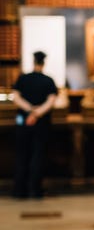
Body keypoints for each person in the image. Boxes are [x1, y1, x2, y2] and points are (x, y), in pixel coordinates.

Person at [12, 50, 58, 198]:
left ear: (33, 62)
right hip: (41, 123)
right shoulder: (48, 81)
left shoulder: (23, 79)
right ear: (43, 63)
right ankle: (36, 190)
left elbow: (16, 98)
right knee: (38, 156)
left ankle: (20, 190)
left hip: (22, 121)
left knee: (22, 155)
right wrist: (36, 113)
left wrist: (29, 111)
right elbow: (50, 102)